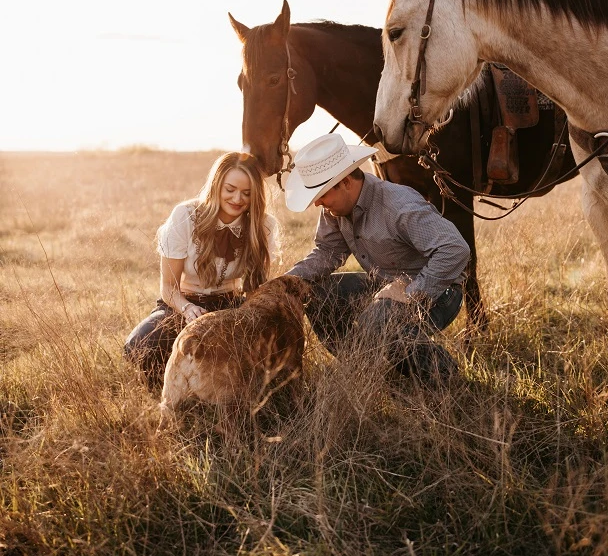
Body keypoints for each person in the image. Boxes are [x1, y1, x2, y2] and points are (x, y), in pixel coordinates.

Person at [285, 133, 470, 384]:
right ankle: (361, 366)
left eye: (322, 193)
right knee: (316, 294)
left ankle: (445, 376)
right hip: (384, 285)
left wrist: (410, 293)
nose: (317, 202)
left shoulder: (399, 205)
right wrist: (285, 282)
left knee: (378, 320)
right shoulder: (335, 207)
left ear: (347, 181)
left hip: (439, 291)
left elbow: (455, 249)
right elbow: (328, 252)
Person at [124, 152, 278, 387]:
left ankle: (232, 393)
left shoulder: (263, 225)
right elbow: (168, 287)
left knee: (271, 347)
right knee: (141, 345)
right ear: (216, 185)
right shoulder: (185, 215)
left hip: (231, 304)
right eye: (230, 189)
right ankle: (168, 390)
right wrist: (187, 309)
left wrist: (246, 319)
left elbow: (257, 289)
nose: (238, 198)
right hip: (181, 304)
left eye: (247, 193)